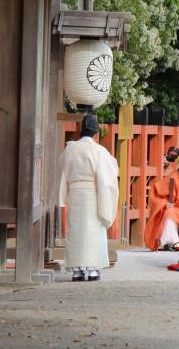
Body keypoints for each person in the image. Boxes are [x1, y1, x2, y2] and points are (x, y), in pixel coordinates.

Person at [58, 113, 119, 282]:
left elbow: (61, 166)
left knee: (76, 231)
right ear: (95, 132)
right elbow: (110, 172)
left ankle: (76, 271)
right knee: (93, 231)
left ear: (80, 131)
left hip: (75, 194)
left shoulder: (70, 148)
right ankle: (92, 270)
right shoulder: (99, 151)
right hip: (92, 194)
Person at [144, 146, 179, 251]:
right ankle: (173, 241)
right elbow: (162, 192)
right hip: (178, 208)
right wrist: (167, 203)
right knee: (169, 213)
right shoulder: (174, 177)